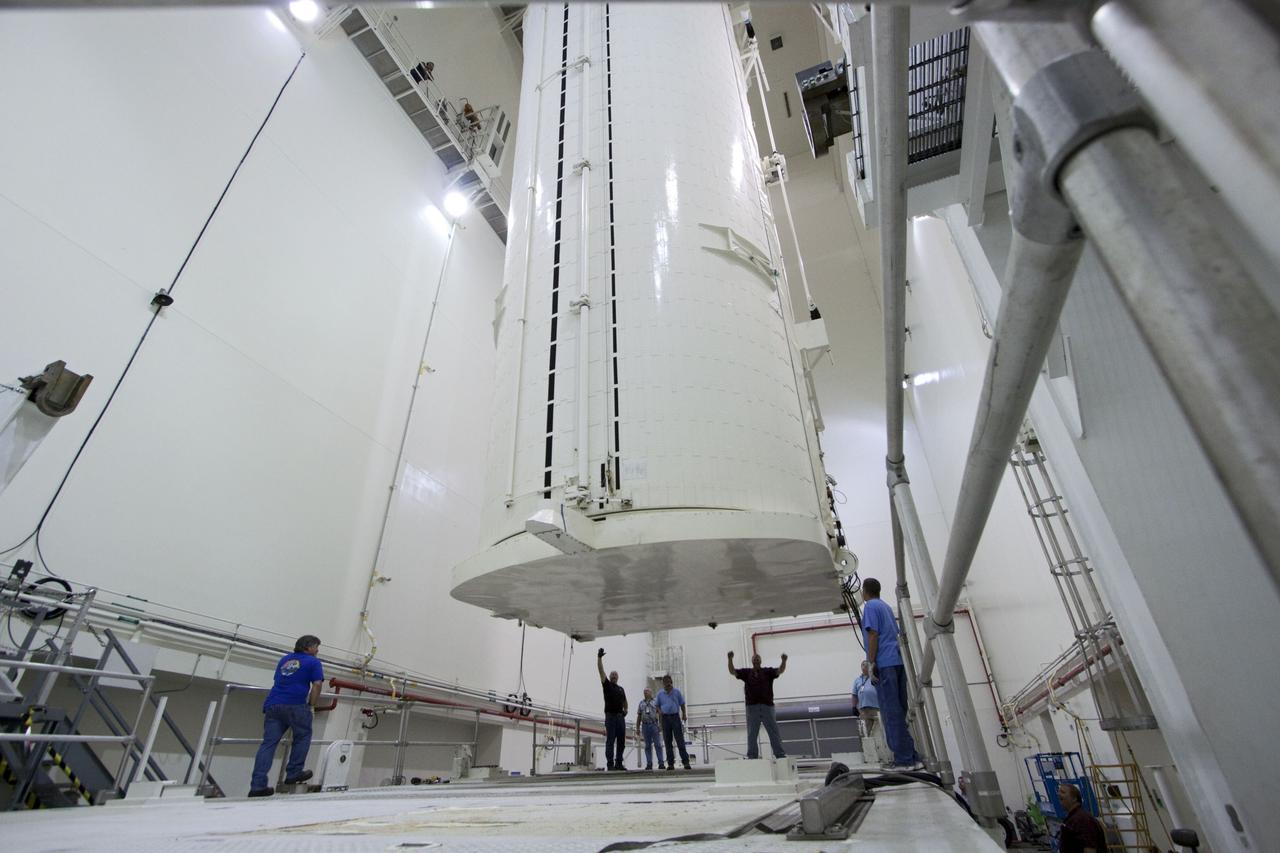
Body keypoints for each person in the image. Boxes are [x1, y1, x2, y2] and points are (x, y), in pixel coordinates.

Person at [249, 634, 325, 797]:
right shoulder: (313, 662)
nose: (317, 650)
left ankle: (257, 785)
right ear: (309, 647)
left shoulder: (284, 660)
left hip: (273, 704)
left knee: (268, 744)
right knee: (303, 736)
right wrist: (311, 706)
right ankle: (293, 773)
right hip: (296, 704)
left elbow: (278, 679)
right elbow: (317, 685)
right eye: (316, 647)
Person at [861, 577, 922, 770]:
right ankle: (912, 757)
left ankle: (903, 760)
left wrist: (871, 662)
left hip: (885, 663)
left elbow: (873, 634)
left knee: (890, 712)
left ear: (864, 592)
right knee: (899, 710)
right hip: (897, 661)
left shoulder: (870, 607)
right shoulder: (886, 607)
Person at [727, 650, 788, 760]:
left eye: (758, 658)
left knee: (773, 731)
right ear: (752, 661)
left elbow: (780, 670)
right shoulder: (746, 673)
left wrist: (784, 661)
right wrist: (730, 659)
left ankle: (780, 754)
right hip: (752, 708)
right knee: (752, 733)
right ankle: (752, 756)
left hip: (767, 707)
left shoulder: (767, 672)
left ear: (760, 661)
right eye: (754, 658)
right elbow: (733, 671)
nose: (756, 659)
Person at [597, 648, 628, 771]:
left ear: (618, 677)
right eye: (612, 675)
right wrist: (599, 658)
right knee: (610, 740)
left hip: (620, 718)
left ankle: (619, 763)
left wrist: (626, 710)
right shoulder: (607, 684)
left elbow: (625, 702)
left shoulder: (621, 689)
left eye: (616, 675)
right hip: (610, 717)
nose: (614, 676)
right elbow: (601, 671)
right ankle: (610, 765)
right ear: (609, 677)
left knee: (621, 741)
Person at [851, 660, 889, 761]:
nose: (864, 666)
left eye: (866, 665)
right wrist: (854, 707)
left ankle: (885, 754)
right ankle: (868, 755)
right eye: (862, 665)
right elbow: (854, 695)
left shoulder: (875, 676)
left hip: (877, 708)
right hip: (863, 709)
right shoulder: (857, 680)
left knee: (881, 730)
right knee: (865, 732)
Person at [1057, 782, 1109, 853]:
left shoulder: (1082, 819)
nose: (1059, 794)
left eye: (1063, 792)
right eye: (1059, 792)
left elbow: (1090, 848)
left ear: (1074, 798)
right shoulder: (1073, 818)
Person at [655, 674, 691, 770]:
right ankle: (670, 763)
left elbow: (682, 703)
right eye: (665, 682)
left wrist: (684, 714)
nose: (667, 684)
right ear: (663, 683)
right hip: (665, 719)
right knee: (667, 741)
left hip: (675, 717)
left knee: (680, 740)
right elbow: (656, 705)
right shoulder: (660, 694)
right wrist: (659, 710)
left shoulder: (677, 692)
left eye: (669, 682)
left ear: (671, 682)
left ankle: (685, 762)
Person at [635, 687, 665, 770]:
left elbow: (660, 713)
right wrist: (637, 727)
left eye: (647, 691)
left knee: (658, 745)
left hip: (654, 725)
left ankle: (661, 763)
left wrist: (660, 725)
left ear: (651, 693)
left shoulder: (655, 702)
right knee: (647, 746)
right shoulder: (641, 703)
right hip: (645, 726)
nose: (645, 693)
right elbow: (639, 716)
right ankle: (649, 763)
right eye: (644, 692)